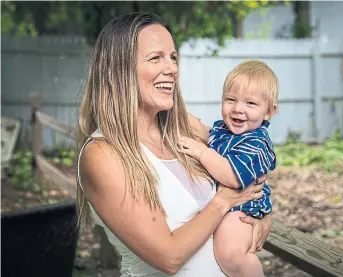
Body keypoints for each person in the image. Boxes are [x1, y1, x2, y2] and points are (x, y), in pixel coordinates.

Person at [75, 12, 272, 277]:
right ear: (117, 69)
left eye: (173, 57)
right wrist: (223, 201)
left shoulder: (184, 128)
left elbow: (247, 169)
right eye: (156, 58)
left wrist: (261, 214)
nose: (172, 69)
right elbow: (169, 257)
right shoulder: (102, 153)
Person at [178, 60, 278, 277]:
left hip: (241, 210)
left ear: (269, 111)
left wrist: (201, 152)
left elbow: (232, 177)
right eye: (230, 100)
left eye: (250, 104)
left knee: (230, 254)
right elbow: (207, 132)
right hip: (223, 205)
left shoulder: (257, 143)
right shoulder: (223, 130)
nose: (238, 109)